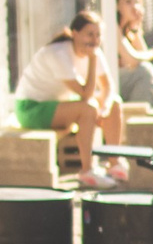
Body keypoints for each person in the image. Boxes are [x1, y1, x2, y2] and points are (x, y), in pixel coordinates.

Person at [10, 12, 126, 188]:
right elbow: (86, 94)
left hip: (59, 104)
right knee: (88, 108)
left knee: (114, 102)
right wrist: (92, 60)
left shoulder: (94, 52)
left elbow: (108, 86)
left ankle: (114, 164)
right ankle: (87, 171)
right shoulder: (59, 54)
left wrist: (106, 108)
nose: (94, 40)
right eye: (89, 34)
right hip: (31, 108)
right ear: (75, 34)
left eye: (98, 35)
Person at [113, 0, 153, 108]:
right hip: (109, 82)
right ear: (117, 6)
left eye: (137, 2)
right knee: (145, 72)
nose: (134, 7)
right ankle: (140, 113)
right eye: (128, 2)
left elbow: (142, 54)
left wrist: (135, 28)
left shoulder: (128, 30)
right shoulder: (113, 26)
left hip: (122, 81)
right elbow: (132, 60)